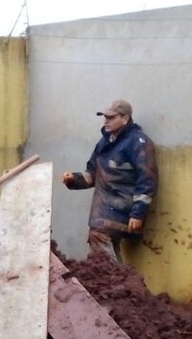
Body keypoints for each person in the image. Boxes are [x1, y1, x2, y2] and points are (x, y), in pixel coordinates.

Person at [61, 99, 159, 261]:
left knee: (98, 237)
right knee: (104, 246)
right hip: (105, 210)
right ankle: (121, 282)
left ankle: (115, 283)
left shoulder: (138, 142)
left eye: (111, 117)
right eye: (105, 117)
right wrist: (73, 179)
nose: (106, 121)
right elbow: (92, 174)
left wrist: (138, 214)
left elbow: (147, 180)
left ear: (125, 118)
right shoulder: (105, 142)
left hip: (123, 210)